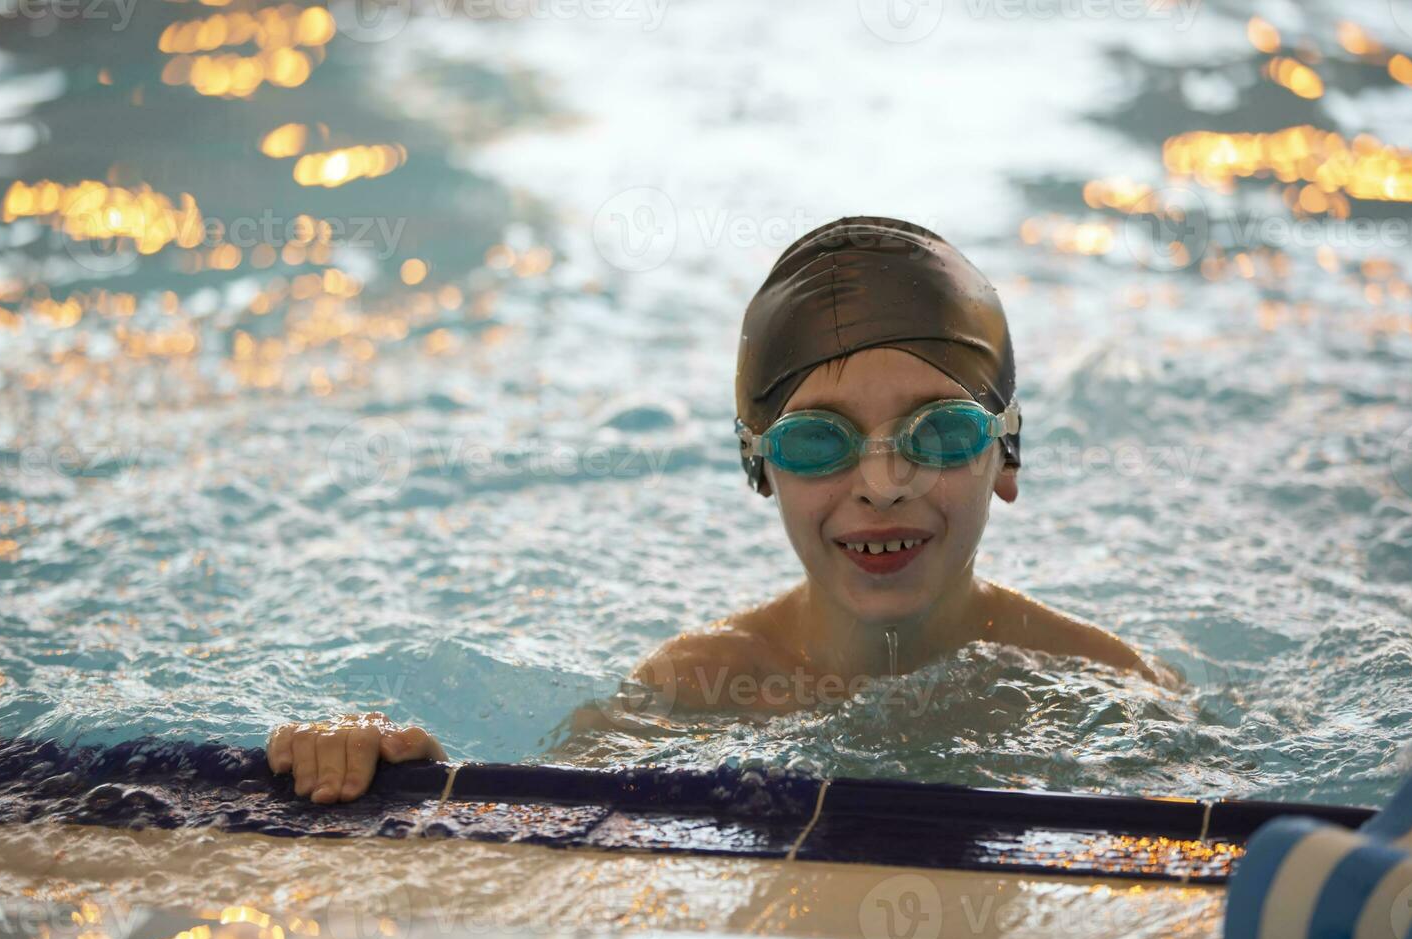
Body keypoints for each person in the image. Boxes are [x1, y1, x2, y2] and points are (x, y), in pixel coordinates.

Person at [268, 216, 1179, 803]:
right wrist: (390, 756)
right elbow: (538, 826)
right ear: (762, 470)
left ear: (1006, 456)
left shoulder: (1104, 682)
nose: (882, 483)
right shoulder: (697, 688)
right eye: (818, 442)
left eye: (938, 434)